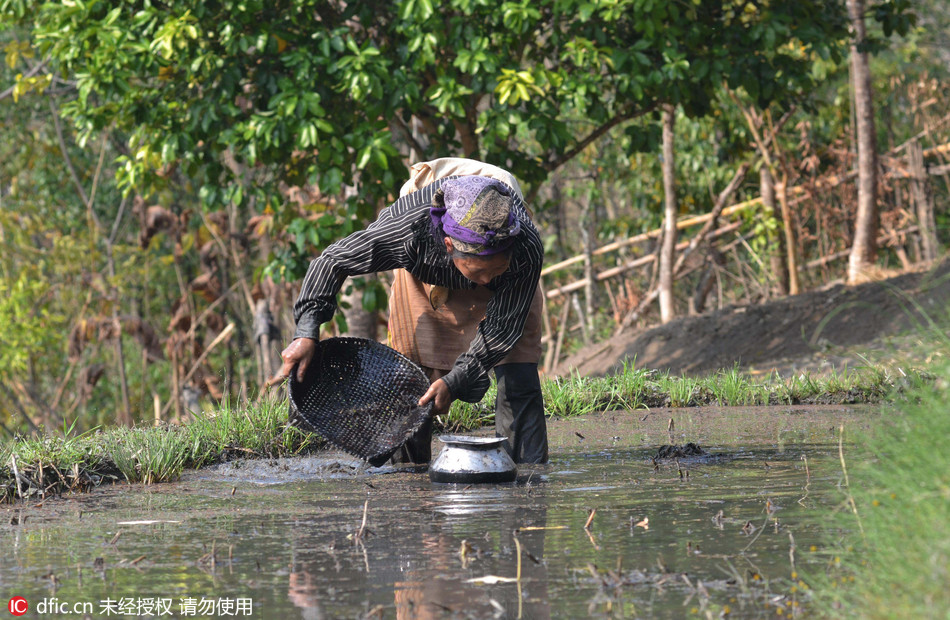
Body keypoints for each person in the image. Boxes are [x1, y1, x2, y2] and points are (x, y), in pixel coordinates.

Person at [270, 158, 548, 464]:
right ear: (448, 245)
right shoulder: (406, 231)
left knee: (519, 377)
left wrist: (455, 382)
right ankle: (407, 480)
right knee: (414, 384)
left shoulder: (525, 247)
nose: (485, 282)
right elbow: (332, 261)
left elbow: (501, 332)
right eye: (478, 272)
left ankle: (528, 481)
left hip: (510, 280)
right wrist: (307, 333)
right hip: (425, 270)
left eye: (495, 270)